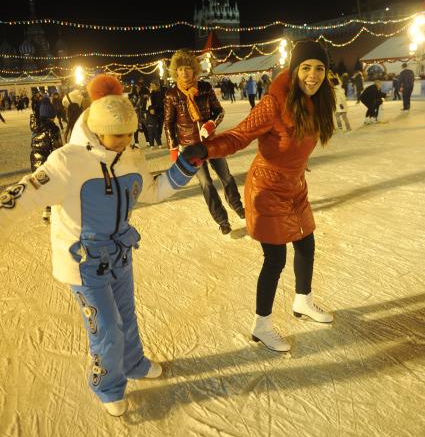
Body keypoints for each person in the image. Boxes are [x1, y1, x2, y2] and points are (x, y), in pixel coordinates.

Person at [0, 74, 199, 416]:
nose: (125, 141)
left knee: (126, 316)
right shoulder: (67, 161)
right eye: (118, 135)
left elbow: (151, 191)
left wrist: (184, 166)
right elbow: (25, 194)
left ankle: (133, 363)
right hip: (83, 261)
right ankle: (107, 384)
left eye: (129, 134)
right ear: (97, 128)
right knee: (106, 326)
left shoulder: (132, 156)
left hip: (119, 254)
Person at [182, 40, 335, 352]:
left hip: (294, 186)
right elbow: (240, 135)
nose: (313, 75)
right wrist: (206, 148)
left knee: (306, 242)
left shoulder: (320, 100)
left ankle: (303, 300)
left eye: (319, 68)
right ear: (294, 71)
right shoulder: (274, 103)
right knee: (275, 258)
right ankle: (261, 326)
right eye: (306, 68)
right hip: (267, 188)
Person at [164, 49, 245, 235]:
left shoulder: (206, 88)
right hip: (191, 147)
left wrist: (210, 124)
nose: (185, 72)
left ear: (195, 70)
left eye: (188, 68)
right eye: (181, 69)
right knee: (206, 183)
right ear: (176, 71)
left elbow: (220, 111)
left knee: (226, 176)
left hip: (211, 143)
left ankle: (237, 206)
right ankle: (222, 220)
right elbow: (168, 123)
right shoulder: (172, 94)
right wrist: (173, 148)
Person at [29, 100, 63, 223]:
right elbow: (58, 147)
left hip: (35, 160)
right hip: (48, 161)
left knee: (43, 185)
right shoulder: (53, 128)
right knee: (53, 185)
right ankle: (53, 210)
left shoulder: (35, 127)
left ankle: (46, 209)